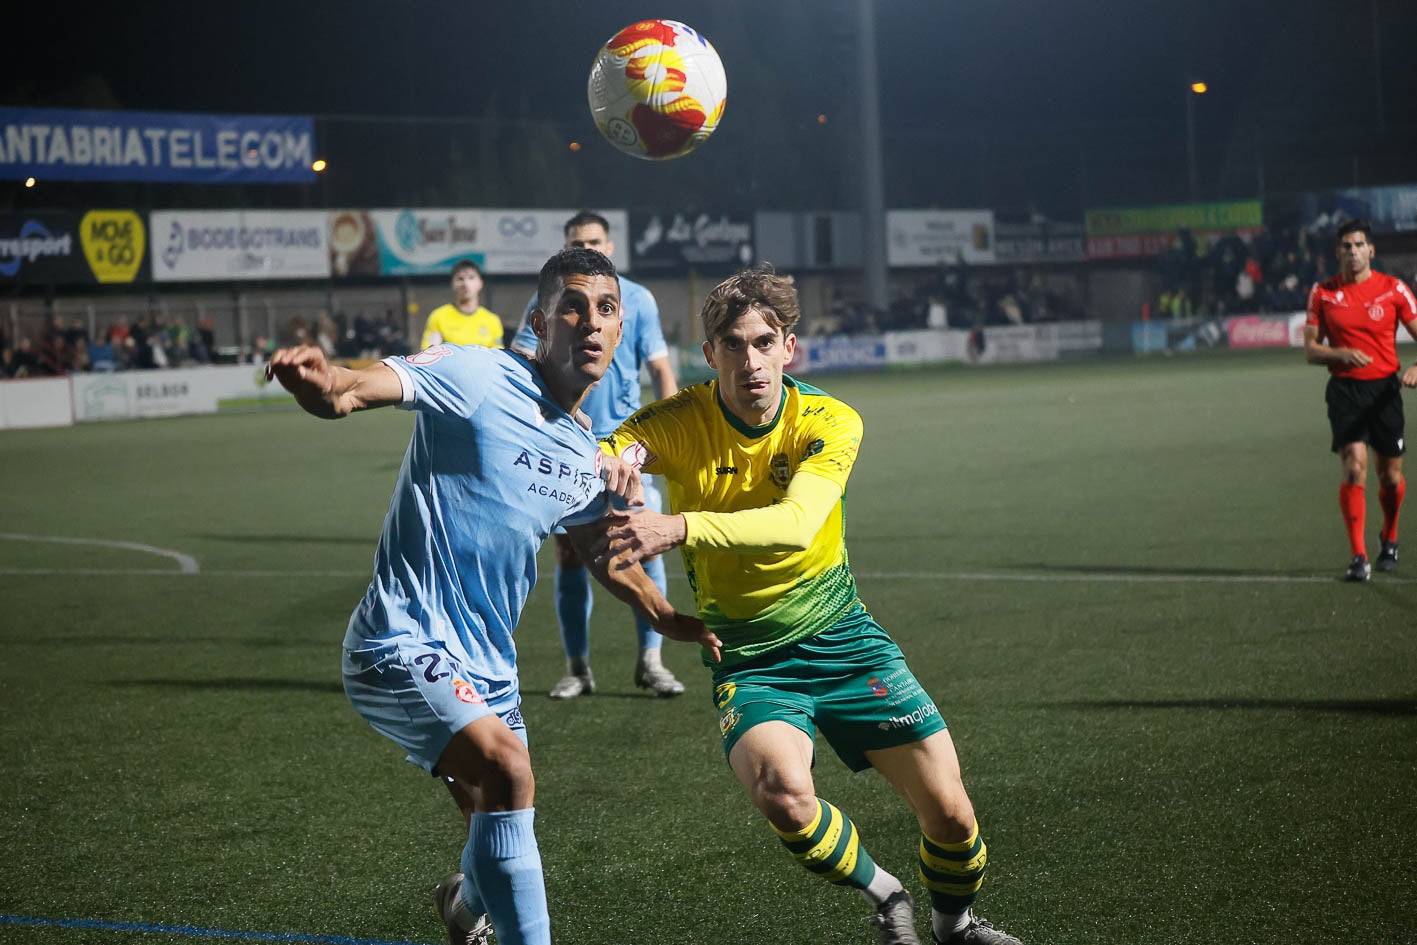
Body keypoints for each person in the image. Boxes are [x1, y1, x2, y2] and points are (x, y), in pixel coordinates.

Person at [265, 247, 719, 945]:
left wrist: (668, 618)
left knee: (496, 817)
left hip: (489, 664)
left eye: (605, 309)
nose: (589, 323)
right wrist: (315, 379)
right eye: (572, 305)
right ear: (539, 321)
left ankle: (461, 903)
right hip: (399, 639)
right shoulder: (475, 372)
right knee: (509, 770)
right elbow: (349, 390)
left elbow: (601, 550)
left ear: (620, 330)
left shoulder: (581, 451)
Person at [592, 267, 1021, 945]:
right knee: (782, 795)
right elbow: (621, 447)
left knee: (952, 817)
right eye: (732, 344)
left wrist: (677, 526)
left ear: (789, 347)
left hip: (844, 637)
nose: (750, 359)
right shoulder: (678, 422)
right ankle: (886, 896)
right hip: (748, 655)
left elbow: (796, 522)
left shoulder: (828, 419)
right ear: (708, 355)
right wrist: (613, 461)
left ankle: (956, 924)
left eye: (764, 342)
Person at [509, 211, 682, 699]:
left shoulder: (638, 299)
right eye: (576, 243)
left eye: (594, 241)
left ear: (610, 244)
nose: (587, 247)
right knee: (570, 555)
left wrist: (662, 436)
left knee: (643, 545)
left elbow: (661, 370)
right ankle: (577, 668)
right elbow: (523, 361)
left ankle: (652, 660)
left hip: (630, 445)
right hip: (568, 442)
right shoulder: (545, 299)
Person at [1303, 219, 1417, 581]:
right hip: (1345, 391)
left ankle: (1391, 537)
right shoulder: (1322, 293)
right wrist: (1340, 354)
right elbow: (1310, 350)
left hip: (1385, 391)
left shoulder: (1394, 289)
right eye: (1346, 246)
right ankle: (1358, 556)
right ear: (1338, 252)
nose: (1352, 252)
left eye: (1358, 245)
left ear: (1371, 250)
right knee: (1354, 466)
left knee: (1390, 476)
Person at [422, 259, 504, 349]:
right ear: (453, 284)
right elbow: (428, 353)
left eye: (471, 278)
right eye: (460, 279)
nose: (466, 284)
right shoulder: (438, 317)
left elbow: (498, 356)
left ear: (480, 283)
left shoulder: (493, 320)